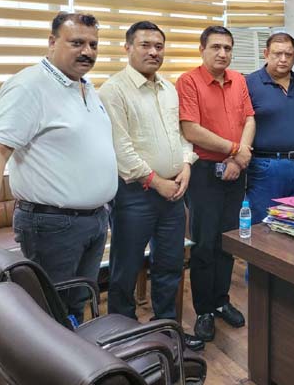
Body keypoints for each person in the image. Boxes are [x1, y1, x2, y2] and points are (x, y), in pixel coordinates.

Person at [0, 12, 117, 323]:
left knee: (77, 301)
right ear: (52, 42)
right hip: (53, 224)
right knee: (48, 312)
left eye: (93, 44)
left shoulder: (84, 86)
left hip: (94, 220)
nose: (87, 51)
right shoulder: (29, 85)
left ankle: (72, 350)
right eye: (77, 43)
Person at [98, 21, 204, 351]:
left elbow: (181, 136)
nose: (154, 52)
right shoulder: (113, 91)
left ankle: (166, 331)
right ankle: (123, 339)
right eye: (145, 45)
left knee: (170, 266)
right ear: (127, 48)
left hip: (174, 192)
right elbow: (121, 149)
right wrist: (156, 182)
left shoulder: (168, 89)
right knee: (125, 269)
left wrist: (186, 165)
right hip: (135, 195)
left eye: (159, 46)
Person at [177, 26, 255, 342]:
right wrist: (235, 150)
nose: (222, 53)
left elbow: (249, 119)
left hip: (236, 170)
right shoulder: (189, 81)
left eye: (228, 48)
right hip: (205, 173)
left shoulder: (239, 80)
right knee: (205, 243)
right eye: (216, 47)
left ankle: (222, 301)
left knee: (228, 240)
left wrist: (238, 158)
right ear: (202, 49)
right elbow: (191, 129)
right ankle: (204, 310)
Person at [245, 32, 294, 224]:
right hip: (267, 167)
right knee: (264, 224)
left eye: (288, 54)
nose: (283, 59)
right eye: (277, 54)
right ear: (266, 54)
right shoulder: (249, 83)